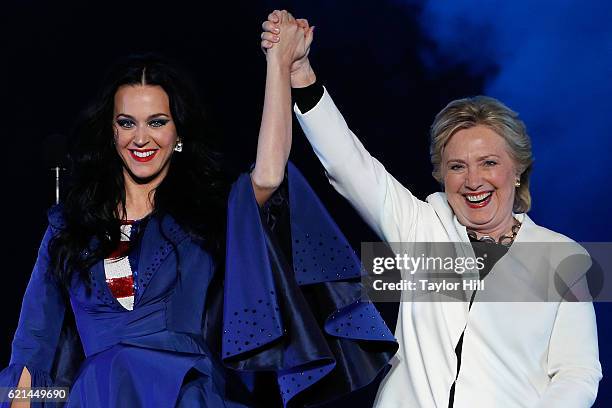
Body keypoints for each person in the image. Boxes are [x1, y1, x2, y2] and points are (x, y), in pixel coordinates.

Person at [0, 11, 397, 408]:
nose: (142, 138)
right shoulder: (67, 228)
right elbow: (33, 347)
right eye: (127, 123)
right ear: (111, 132)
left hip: (191, 397)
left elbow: (269, 176)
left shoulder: (205, 216)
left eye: (157, 122)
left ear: (178, 134)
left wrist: (277, 64)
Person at [261, 11, 602, 408]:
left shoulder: (562, 258)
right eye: (457, 166)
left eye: (489, 163)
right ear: (443, 175)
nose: (473, 180)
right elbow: (348, 163)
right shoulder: (423, 226)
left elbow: (577, 373)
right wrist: (300, 71)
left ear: (518, 169)